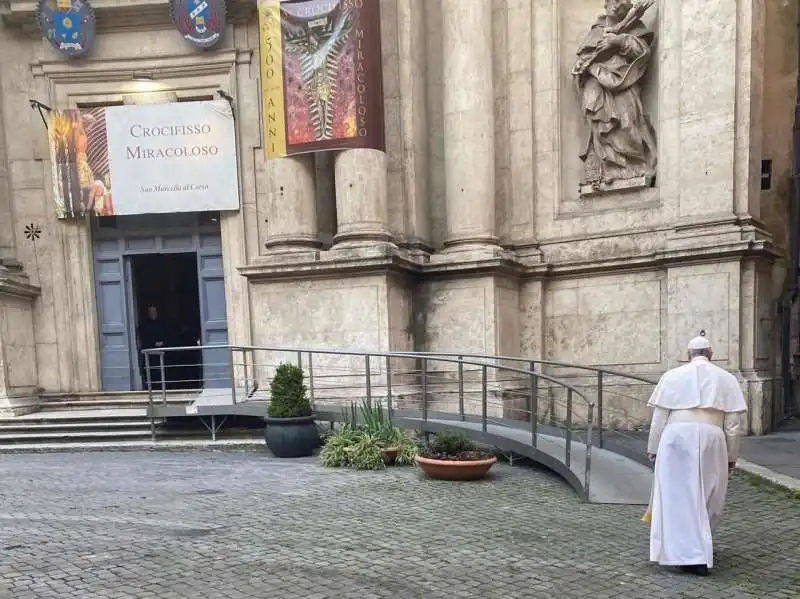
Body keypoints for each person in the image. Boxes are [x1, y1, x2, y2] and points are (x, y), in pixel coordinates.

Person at [646, 331, 747, 576]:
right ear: (711, 355)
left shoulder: (672, 376)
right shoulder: (726, 378)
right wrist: (732, 456)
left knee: (677, 494)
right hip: (713, 436)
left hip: (676, 436)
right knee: (710, 492)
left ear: (688, 355)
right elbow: (733, 425)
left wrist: (653, 449)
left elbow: (658, 419)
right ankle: (698, 549)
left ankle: (687, 552)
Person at [138, 305, 169, 388]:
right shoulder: (144, 325)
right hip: (150, 353)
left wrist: (163, 342)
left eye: (154, 311)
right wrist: (153, 343)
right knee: (152, 372)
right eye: (151, 312)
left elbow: (168, 335)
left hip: (163, 351)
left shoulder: (163, 323)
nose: (153, 313)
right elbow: (143, 338)